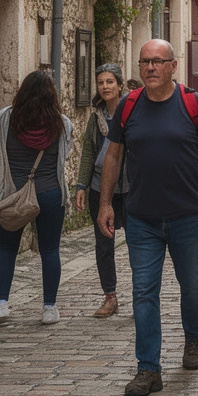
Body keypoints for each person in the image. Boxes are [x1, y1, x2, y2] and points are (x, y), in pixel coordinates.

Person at [97, 40, 198, 396]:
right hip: (141, 218)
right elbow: (112, 157)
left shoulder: (194, 104)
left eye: (158, 62)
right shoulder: (128, 106)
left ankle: (193, 338)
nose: (151, 68)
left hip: (187, 215)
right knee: (143, 292)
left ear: (173, 66)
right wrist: (106, 204)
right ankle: (148, 368)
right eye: (145, 62)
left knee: (193, 285)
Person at [0, 70, 74, 328]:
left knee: (6, 249)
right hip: (50, 193)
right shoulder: (62, 123)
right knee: (50, 250)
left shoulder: (5, 119)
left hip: (15, 195)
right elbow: (64, 155)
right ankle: (49, 308)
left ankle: (1, 304)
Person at [75, 64, 131, 319]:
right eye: (101, 82)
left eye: (110, 81)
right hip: (100, 187)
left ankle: (142, 297)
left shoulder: (132, 112)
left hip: (131, 187)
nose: (105, 86)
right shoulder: (96, 117)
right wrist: (81, 185)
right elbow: (88, 150)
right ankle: (110, 296)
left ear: (120, 85)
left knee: (139, 243)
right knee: (103, 245)